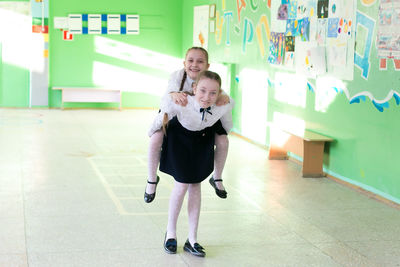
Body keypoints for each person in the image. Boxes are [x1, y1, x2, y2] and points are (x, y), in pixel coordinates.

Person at [151, 70, 234, 257]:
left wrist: (225, 98)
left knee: (195, 186)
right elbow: (164, 110)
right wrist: (152, 133)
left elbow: (227, 119)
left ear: (219, 93)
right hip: (179, 142)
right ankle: (170, 234)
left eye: (213, 93)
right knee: (181, 186)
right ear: (194, 88)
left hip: (201, 142)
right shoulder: (183, 101)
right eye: (203, 91)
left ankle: (192, 239)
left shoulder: (221, 103)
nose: (207, 97)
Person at [144, 47, 230, 203]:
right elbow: (165, 103)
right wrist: (173, 94)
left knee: (223, 142)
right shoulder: (177, 76)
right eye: (191, 60)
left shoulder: (209, 79)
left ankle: (217, 177)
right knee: (155, 139)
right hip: (176, 113)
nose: (195, 65)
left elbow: (223, 101)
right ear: (184, 63)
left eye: (200, 61)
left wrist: (223, 96)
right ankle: (151, 179)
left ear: (207, 65)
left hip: (203, 118)